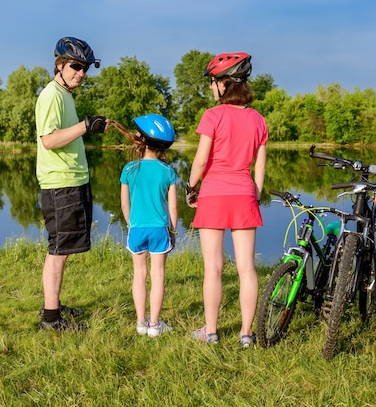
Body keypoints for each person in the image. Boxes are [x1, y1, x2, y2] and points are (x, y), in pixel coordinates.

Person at [186, 52, 268, 347]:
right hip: (244, 192)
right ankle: (246, 333)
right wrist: (254, 195)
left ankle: (211, 332)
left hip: (214, 193)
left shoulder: (213, 116)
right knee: (247, 267)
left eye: (213, 82)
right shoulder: (258, 119)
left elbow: (199, 161)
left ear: (225, 84)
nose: (211, 88)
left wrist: (190, 187)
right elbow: (260, 166)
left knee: (214, 268)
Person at [35, 36, 108, 331]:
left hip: (73, 181)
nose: (81, 73)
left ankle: (54, 304)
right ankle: (51, 319)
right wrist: (84, 126)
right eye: (76, 66)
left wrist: (88, 127)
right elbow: (49, 140)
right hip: (60, 184)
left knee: (63, 249)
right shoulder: (51, 95)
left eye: (85, 68)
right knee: (59, 249)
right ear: (60, 65)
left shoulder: (65, 95)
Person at [115, 114, 178, 337]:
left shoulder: (129, 170)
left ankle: (141, 323)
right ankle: (155, 325)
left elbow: (124, 203)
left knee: (139, 274)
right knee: (158, 275)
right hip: (160, 228)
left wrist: (131, 223)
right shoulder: (168, 172)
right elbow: (172, 208)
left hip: (137, 228)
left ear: (142, 141)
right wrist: (172, 230)